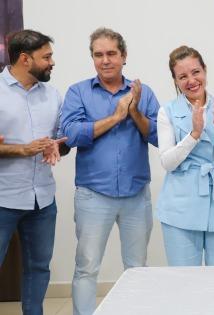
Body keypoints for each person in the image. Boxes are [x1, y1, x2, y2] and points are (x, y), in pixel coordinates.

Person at [59, 27, 159, 315]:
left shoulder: (143, 92)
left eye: (111, 54)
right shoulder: (78, 92)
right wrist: (116, 117)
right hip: (93, 195)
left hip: (136, 195)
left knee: (137, 268)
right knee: (87, 267)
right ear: (92, 58)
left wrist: (135, 111)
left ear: (124, 56)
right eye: (98, 54)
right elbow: (71, 135)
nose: (105, 60)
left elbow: (157, 137)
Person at [0, 29, 68, 315]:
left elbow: (61, 141)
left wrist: (58, 147)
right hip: (3, 198)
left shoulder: (53, 95)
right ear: (25, 59)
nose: (52, 62)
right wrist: (21, 150)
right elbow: (21, 148)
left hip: (43, 200)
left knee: (39, 268)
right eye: (47, 57)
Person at [156, 45, 214, 266]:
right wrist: (194, 133)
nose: (191, 80)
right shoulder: (167, 112)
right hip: (180, 207)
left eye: (195, 72)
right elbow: (167, 162)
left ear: (205, 71)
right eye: (182, 76)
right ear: (175, 81)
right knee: (184, 283)